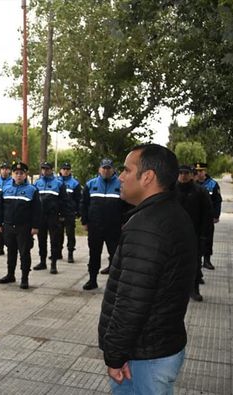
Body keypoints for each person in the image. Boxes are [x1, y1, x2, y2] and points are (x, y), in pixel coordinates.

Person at [99, 143, 196, 394]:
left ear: (148, 177)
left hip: (143, 357)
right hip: (158, 346)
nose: (120, 176)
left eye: (127, 170)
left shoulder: (148, 226)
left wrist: (115, 355)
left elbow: (132, 301)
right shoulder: (170, 212)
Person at [81, 158, 125, 290]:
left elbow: (127, 206)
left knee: (116, 255)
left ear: (113, 169)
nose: (106, 170)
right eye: (104, 168)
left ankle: (116, 283)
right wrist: (84, 221)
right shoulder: (90, 184)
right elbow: (84, 204)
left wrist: (125, 222)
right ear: (99, 169)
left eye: (108, 168)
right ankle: (92, 280)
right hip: (95, 227)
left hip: (114, 227)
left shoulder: (121, 184)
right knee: (94, 254)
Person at [0, 161, 40, 289]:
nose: (19, 175)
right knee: (11, 252)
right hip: (9, 226)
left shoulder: (32, 190)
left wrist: (35, 227)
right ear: (12, 174)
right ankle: (10, 275)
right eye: (16, 173)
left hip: (24, 227)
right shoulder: (6, 189)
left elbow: (37, 211)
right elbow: (0, 208)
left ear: (26, 175)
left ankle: (24, 278)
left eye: (21, 173)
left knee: (24, 253)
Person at [175, 164, 213, 302]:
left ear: (191, 175)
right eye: (180, 173)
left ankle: (194, 288)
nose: (183, 175)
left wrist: (204, 236)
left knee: (194, 263)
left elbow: (207, 215)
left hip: (194, 234)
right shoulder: (171, 190)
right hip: (175, 234)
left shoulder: (199, 191)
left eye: (186, 173)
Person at [32, 161, 67, 274]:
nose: (44, 171)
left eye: (47, 169)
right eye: (43, 169)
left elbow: (64, 201)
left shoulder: (59, 183)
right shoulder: (37, 183)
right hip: (41, 216)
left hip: (53, 216)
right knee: (41, 240)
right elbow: (34, 201)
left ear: (51, 170)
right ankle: (42, 262)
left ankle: (53, 264)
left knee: (54, 240)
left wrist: (62, 215)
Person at [194, 162, 222, 270]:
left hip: (207, 217)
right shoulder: (193, 183)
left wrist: (216, 215)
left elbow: (217, 201)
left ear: (205, 171)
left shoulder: (213, 184)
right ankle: (196, 261)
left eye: (201, 171)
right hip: (195, 216)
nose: (199, 173)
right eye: (197, 171)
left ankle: (207, 260)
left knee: (208, 239)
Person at [57, 161, 81, 263]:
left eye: (67, 169)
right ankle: (58, 252)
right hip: (58, 212)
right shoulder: (56, 182)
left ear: (70, 170)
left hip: (70, 212)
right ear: (60, 170)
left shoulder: (74, 183)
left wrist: (78, 212)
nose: (65, 171)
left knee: (70, 234)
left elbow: (78, 199)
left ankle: (70, 253)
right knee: (58, 234)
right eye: (64, 169)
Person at [0, 162, 12, 256]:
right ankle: (1, 248)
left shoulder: (12, 181)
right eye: (3, 169)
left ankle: (10, 247)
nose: (4, 171)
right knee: (0, 229)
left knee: (8, 230)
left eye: (6, 169)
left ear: (9, 170)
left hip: (9, 210)